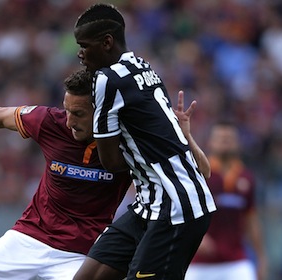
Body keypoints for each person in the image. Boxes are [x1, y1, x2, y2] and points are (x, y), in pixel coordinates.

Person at [0, 69, 133, 279]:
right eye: (67, 111)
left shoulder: (129, 142)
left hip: (80, 255)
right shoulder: (51, 122)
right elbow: (1, 115)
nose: (69, 121)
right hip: (28, 238)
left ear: (101, 111)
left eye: (79, 114)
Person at [72, 3, 216, 280]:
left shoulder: (105, 79)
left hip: (176, 209)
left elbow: (111, 162)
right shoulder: (143, 66)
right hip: (149, 203)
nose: (80, 53)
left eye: (85, 45)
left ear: (107, 42)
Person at [185, 122, 268, 280]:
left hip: (236, 261)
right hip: (199, 262)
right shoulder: (198, 174)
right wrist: (196, 236)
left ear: (237, 143)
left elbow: (251, 220)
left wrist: (262, 257)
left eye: (229, 139)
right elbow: (183, 211)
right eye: (221, 138)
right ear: (210, 142)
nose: (225, 142)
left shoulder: (246, 177)